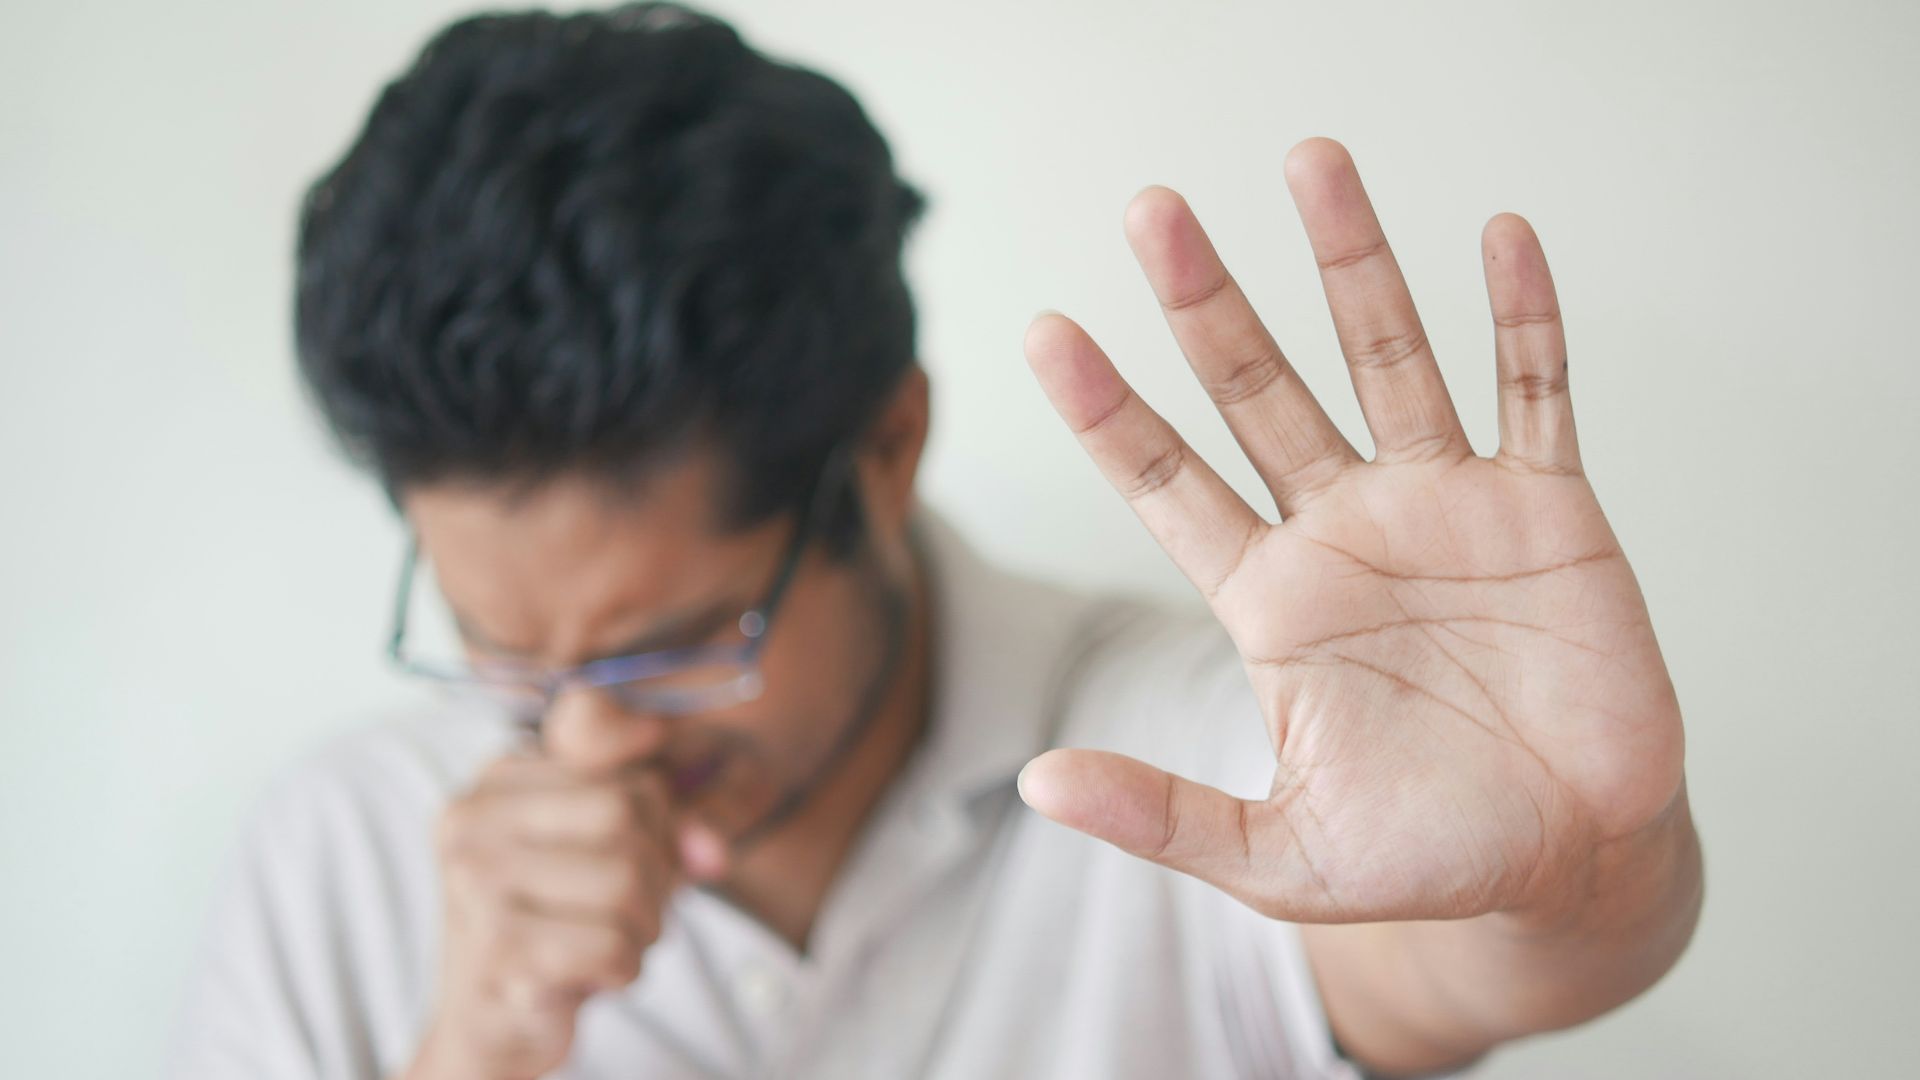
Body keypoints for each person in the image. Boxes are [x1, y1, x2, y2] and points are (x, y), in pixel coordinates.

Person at [167, 3, 1704, 1078]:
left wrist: (1576, 875)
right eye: (500, 653)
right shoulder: (341, 852)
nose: (586, 738)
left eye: (682, 646)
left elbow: (1464, 962)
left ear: (888, 450)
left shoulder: (1193, 745)